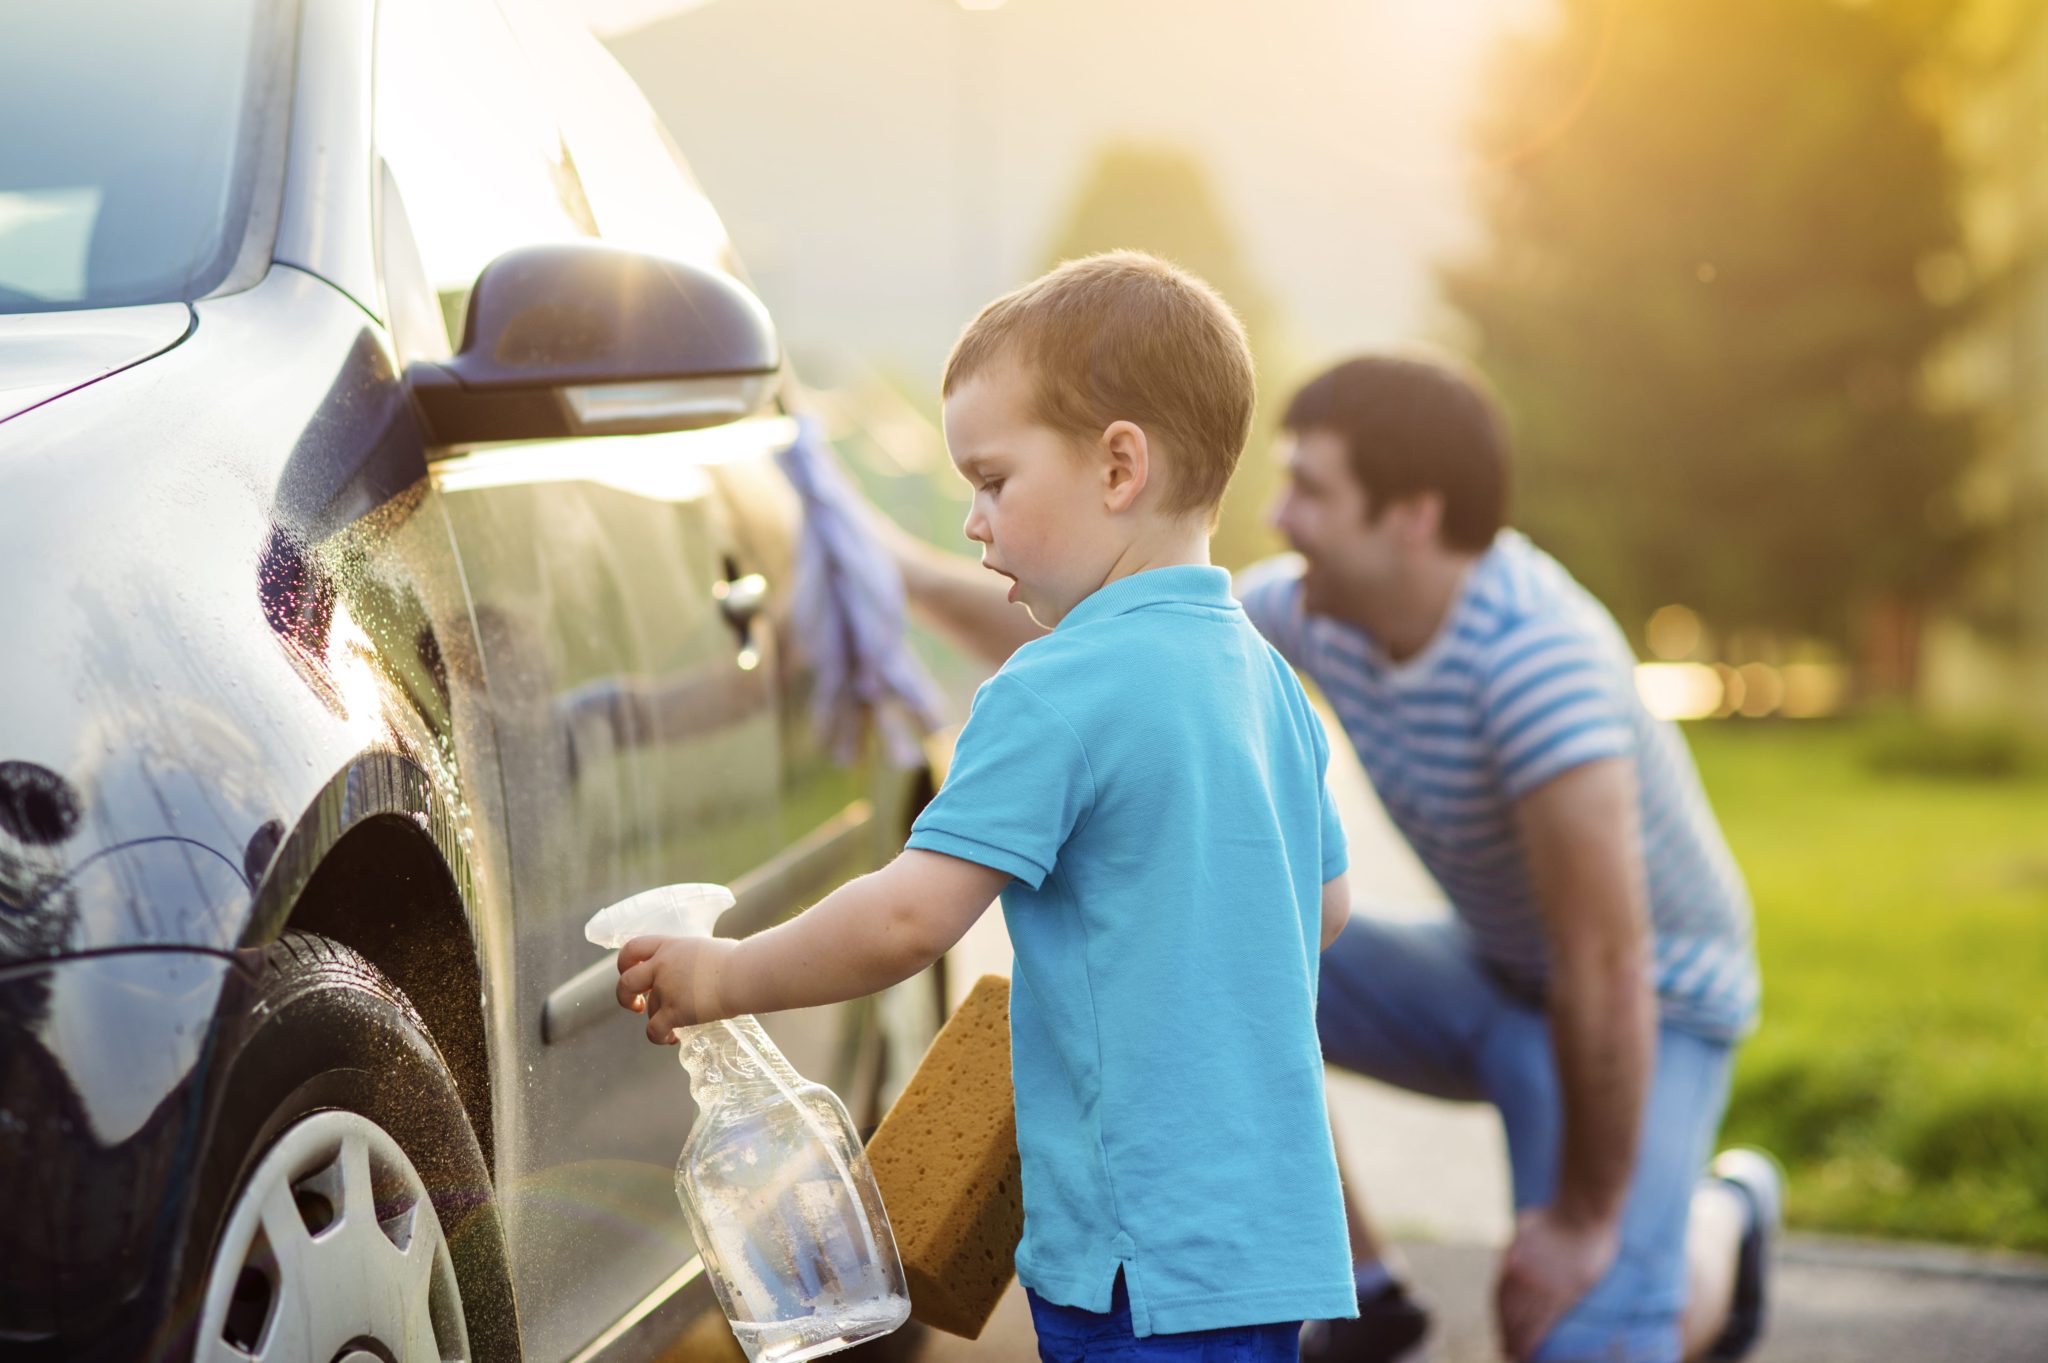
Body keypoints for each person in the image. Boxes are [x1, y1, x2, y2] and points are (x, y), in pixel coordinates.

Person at [882, 352, 1782, 1363]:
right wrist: (897, 573)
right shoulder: (1317, 609)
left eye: (1311, 489)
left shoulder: (1539, 665)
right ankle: (1361, 1281)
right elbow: (1110, 654)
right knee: (1200, 941)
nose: (1283, 517)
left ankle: (1719, 1227)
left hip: (1650, 996)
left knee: (1584, 1335)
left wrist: (1579, 1222)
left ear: (1411, 515)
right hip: (1492, 966)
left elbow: (1604, 960)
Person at [613, 252, 1359, 1362]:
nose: (971, 521)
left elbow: (910, 919)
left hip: (1134, 1254)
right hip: (1264, 1236)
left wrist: (723, 974)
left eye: (993, 481)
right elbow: (1326, 905)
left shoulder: (1052, 688)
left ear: (1118, 466)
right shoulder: (1260, 678)